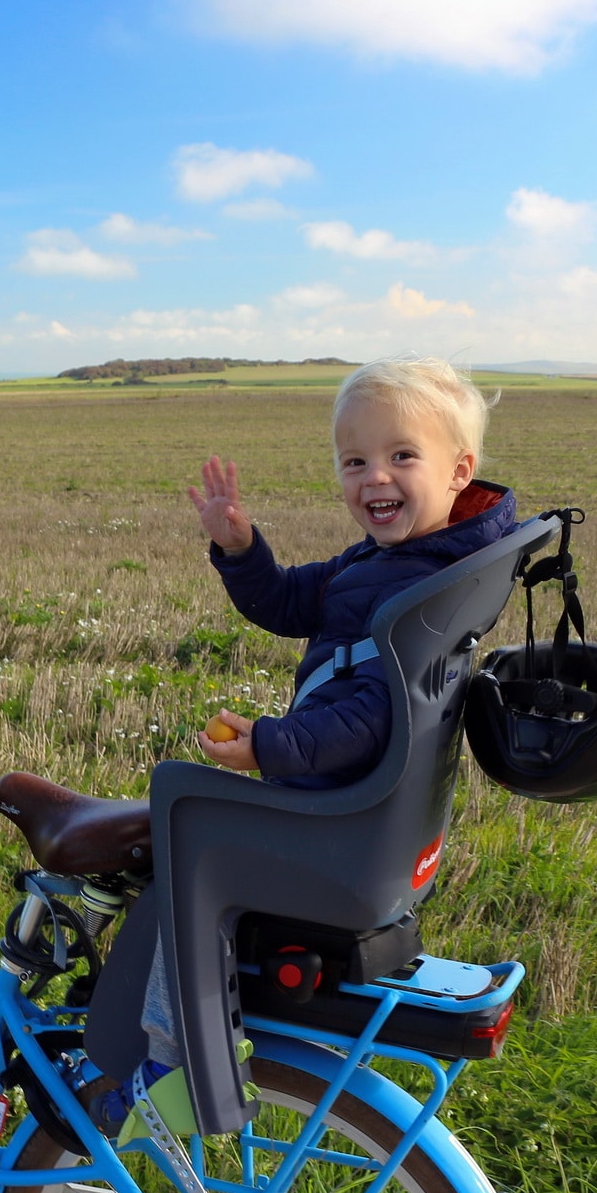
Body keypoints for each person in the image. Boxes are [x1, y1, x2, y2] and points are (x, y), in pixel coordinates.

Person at [99, 355, 516, 1143]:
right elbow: (292, 601)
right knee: (188, 830)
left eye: (401, 456)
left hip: (337, 823)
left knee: (185, 824)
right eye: (355, 460)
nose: (374, 477)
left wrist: (271, 745)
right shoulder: (397, 563)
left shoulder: (414, 591)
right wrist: (241, 546)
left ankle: (171, 1064)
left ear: (460, 470)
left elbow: (370, 714)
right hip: (366, 826)